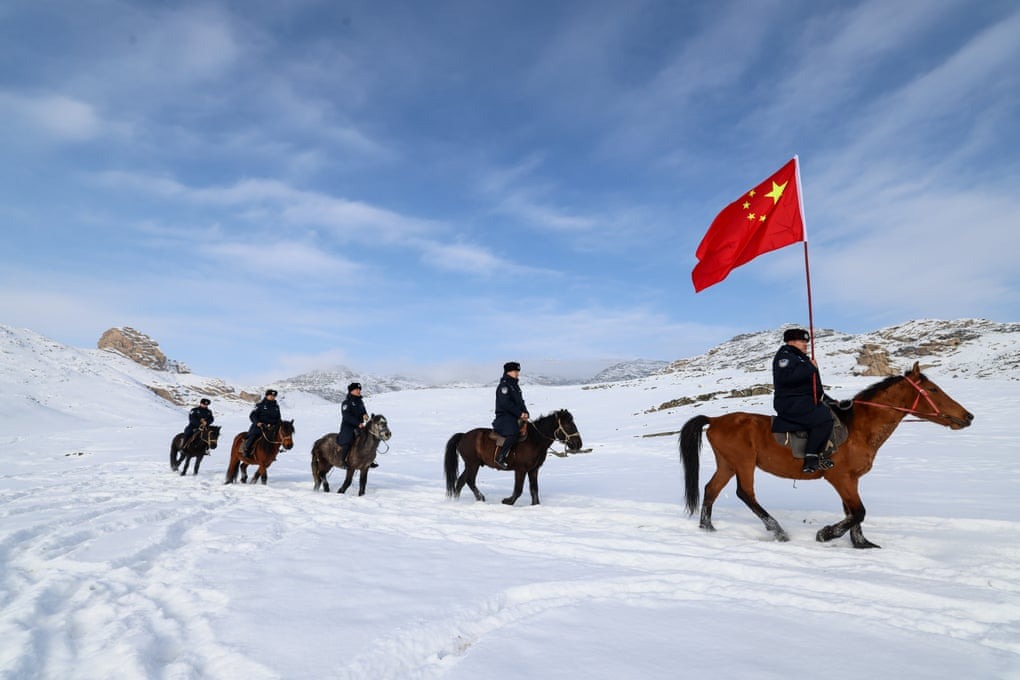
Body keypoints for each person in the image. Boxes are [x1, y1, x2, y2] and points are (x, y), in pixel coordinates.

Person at [772, 328, 836, 473]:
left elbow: (813, 386)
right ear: (791, 342)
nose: (805, 344)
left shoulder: (801, 358)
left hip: (803, 401)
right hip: (790, 403)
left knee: (831, 410)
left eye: (806, 341)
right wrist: (809, 367)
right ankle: (811, 457)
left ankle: (823, 451)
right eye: (802, 341)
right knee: (824, 419)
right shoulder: (785, 357)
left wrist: (828, 400)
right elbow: (787, 378)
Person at [492, 361, 529, 469]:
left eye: (517, 371)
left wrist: (526, 413)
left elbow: (520, 402)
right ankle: (500, 457)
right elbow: (505, 403)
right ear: (509, 372)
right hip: (504, 417)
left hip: (515, 416)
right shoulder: (504, 386)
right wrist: (519, 413)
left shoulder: (515, 386)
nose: (517, 373)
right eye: (515, 371)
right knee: (513, 433)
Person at [337, 382, 370, 468]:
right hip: (348, 426)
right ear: (351, 391)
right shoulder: (346, 402)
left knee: (368, 438)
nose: (359, 391)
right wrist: (358, 423)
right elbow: (346, 415)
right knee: (349, 439)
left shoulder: (360, 402)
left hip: (359, 426)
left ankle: (368, 459)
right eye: (356, 389)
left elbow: (363, 411)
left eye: (359, 389)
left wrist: (365, 415)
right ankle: (342, 460)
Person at [241, 389, 282, 460]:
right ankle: (246, 450)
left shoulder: (276, 407)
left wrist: (278, 424)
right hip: (259, 427)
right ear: (266, 396)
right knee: (253, 436)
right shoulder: (260, 405)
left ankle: (273, 453)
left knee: (279, 437)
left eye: (274, 396)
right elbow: (252, 415)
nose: (272, 397)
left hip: (271, 428)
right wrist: (257, 422)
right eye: (270, 396)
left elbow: (278, 418)